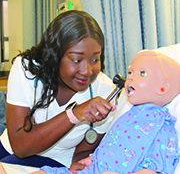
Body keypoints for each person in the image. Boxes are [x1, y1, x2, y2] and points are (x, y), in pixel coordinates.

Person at [25, 50, 180, 174]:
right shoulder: (129, 115)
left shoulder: (162, 124)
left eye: (142, 73)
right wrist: (93, 159)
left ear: (163, 88)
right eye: (131, 73)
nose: (130, 78)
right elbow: (113, 146)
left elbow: (156, 169)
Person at [0, 10, 118, 168]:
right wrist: (74, 115)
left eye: (95, 59)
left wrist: (78, 165)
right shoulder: (26, 69)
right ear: (55, 55)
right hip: (11, 151)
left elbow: (85, 149)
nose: (87, 71)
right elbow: (21, 147)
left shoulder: (106, 92)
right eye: (77, 60)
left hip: (59, 162)